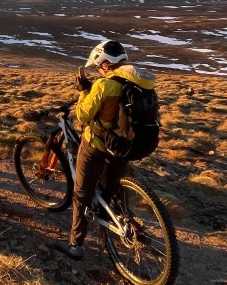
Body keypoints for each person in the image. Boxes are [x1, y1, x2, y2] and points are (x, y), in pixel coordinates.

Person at [54, 39, 157, 260]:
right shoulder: (136, 84)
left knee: (81, 193)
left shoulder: (103, 85)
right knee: (114, 183)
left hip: (97, 145)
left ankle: (75, 245)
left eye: (99, 66)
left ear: (104, 64)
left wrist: (84, 90)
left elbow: (83, 115)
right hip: (124, 145)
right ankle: (114, 213)